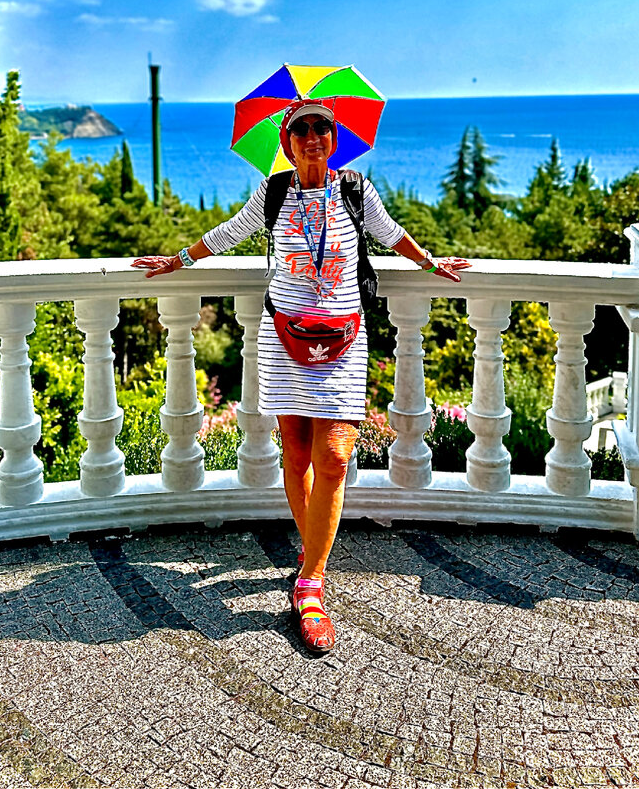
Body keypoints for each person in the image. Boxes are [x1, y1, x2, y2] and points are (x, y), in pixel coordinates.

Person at [132, 99, 470, 653]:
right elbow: (229, 232)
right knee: (294, 452)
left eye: (322, 127)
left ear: (335, 139)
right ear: (286, 144)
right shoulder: (272, 194)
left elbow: (391, 234)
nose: (313, 136)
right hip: (284, 337)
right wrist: (178, 260)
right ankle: (312, 549)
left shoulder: (356, 191)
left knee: (333, 456)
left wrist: (432, 263)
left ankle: (310, 583)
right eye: (301, 129)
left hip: (343, 337)